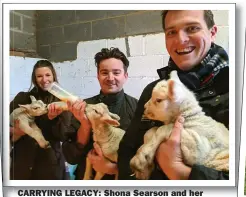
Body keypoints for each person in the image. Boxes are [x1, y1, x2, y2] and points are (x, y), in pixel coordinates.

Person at [118, 10, 229, 180]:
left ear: (212, 33)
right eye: (171, 32)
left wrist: (177, 171)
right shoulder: (153, 90)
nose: (181, 40)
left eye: (192, 28)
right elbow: (127, 150)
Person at [62, 47, 138, 180]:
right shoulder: (82, 107)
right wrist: (85, 125)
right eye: (104, 72)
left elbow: (145, 155)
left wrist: (114, 168)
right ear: (97, 76)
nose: (110, 78)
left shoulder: (137, 108)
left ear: (125, 76)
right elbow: (71, 157)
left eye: (116, 72)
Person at [10, 59, 72, 180]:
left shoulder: (62, 101)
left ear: (53, 75)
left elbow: (63, 136)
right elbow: (4, 125)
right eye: (39, 76)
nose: (44, 80)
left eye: (48, 75)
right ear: (34, 78)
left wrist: (52, 120)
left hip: (49, 162)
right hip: (22, 160)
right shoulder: (22, 98)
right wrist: (16, 132)